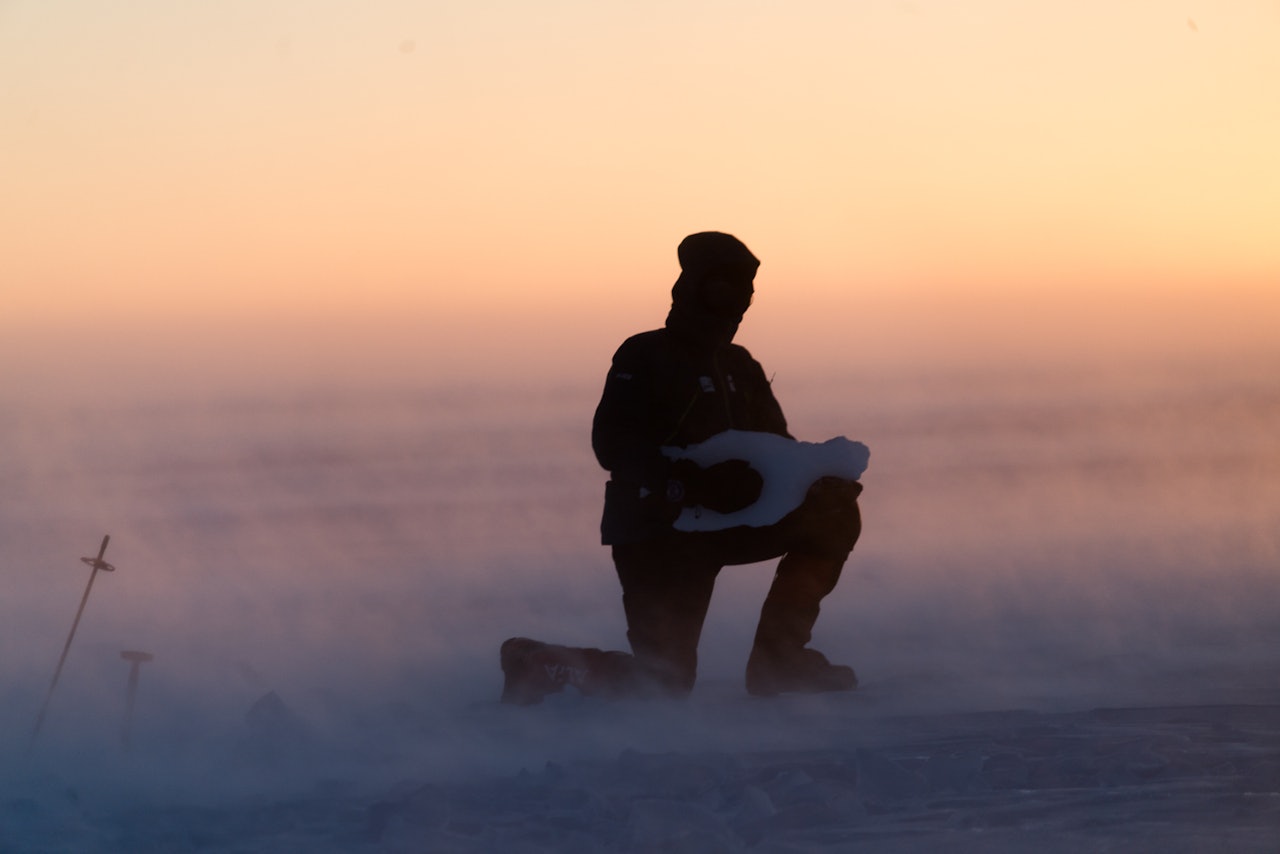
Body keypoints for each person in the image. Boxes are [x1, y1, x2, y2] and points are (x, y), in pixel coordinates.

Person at [500, 232, 863, 704]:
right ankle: (539, 661)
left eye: (746, 290)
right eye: (724, 287)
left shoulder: (740, 366)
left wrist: (813, 484)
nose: (737, 301)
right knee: (662, 686)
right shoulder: (644, 354)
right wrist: (686, 482)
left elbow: (779, 450)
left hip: (726, 524)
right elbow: (611, 444)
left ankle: (780, 662)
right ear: (692, 286)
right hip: (657, 532)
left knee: (833, 521)